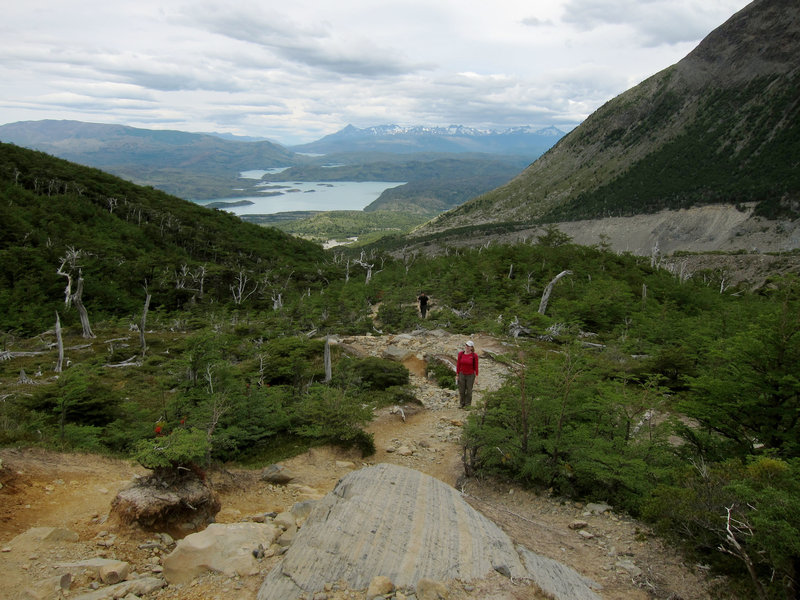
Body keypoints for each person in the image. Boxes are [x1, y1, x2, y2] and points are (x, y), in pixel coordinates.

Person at [456, 340, 479, 408]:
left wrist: (476, 377)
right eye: (466, 345)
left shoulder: (474, 356)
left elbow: (476, 367)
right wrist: (457, 374)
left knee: (469, 390)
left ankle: (468, 404)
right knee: (461, 390)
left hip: (470, 375)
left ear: (472, 347)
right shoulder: (461, 354)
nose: (467, 347)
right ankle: (462, 403)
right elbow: (458, 365)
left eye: (468, 346)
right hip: (462, 374)